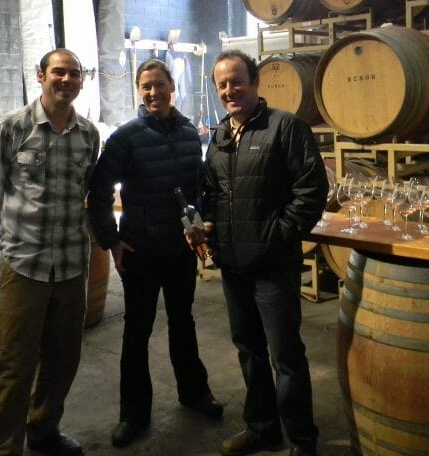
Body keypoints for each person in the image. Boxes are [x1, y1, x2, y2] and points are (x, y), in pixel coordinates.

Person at [87, 58, 222, 449]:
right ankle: (134, 413)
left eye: (159, 84)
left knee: (183, 322)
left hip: (179, 250)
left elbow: (198, 188)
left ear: (171, 87)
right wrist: (111, 240)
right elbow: (98, 193)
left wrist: (200, 225)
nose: (152, 92)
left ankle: (194, 393)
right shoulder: (125, 138)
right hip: (140, 251)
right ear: (138, 91)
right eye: (145, 86)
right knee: (137, 331)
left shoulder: (186, 131)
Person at [200, 50, 328, 456]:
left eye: (237, 81)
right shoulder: (219, 136)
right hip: (233, 265)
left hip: (273, 266)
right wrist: (206, 226)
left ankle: (302, 440)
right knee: (249, 350)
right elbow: (210, 193)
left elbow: (311, 191)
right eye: (222, 84)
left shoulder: (285, 128)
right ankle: (261, 428)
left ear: (256, 83)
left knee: (285, 355)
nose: (229, 90)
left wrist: (279, 235)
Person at [0, 48, 100, 456]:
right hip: (23, 264)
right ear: (40, 76)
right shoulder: (10, 127)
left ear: (82, 81)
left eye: (74, 74)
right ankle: (2, 447)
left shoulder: (89, 135)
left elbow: (83, 190)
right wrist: (18, 228)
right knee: (15, 363)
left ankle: (43, 431)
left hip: (70, 266)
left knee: (63, 359)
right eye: (58, 72)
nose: (66, 80)